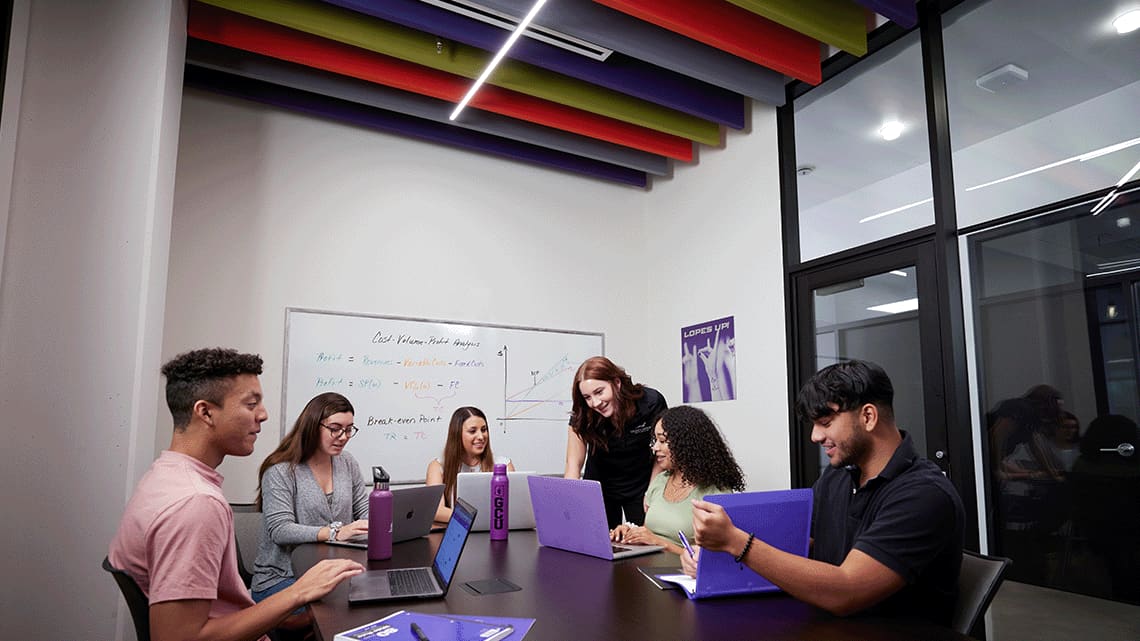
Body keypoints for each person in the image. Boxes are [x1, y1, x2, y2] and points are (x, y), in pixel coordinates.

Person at [108, 348, 362, 641]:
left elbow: (220, 609)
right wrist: (298, 592)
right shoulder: (196, 503)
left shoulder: (164, 477)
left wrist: (290, 618)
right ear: (205, 412)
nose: (263, 414)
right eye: (251, 404)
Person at [685, 360, 964, 624]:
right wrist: (716, 560)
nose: (815, 436)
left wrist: (738, 544)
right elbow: (800, 544)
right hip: (827, 625)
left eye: (826, 422)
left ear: (868, 416)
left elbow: (847, 590)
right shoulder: (838, 475)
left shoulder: (925, 494)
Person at [251, 392, 369, 604]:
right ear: (313, 426)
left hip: (331, 571)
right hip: (284, 578)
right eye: (335, 429)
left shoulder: (347, 462)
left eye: (349, 429)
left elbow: (365, 510)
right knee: (341, 608)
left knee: (374, 597)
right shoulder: (281, 471)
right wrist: (336, 533)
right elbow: (281, 530)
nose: (343, 436)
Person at [610, 405, 745, 555]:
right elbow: (649, 531)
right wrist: (630, 532)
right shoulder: (660, 481)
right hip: (646, 564)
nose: (655, 447)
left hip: (683, 573)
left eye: (662, 440)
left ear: (686, 444)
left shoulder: (715, 493)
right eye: (655, 440)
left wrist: (659, 543)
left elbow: (713, 560)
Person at [564, 356, 668, 528]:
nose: (595, 403)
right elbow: (573, 463)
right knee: (599, 543)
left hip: (641, 485)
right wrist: (571, 502)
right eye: (587, 397)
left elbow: (661, 451)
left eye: (599, 392)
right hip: (600, 487)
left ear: (616, 383)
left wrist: (653, 492)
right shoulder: (582, 412)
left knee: (644, 542)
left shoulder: (650, 402)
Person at [425, 406, 514, 522]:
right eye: (472, 431)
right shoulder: (437, 467)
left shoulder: (503, 465)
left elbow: (513, 507)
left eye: (483, 429)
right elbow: (436, 510)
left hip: (495, 533)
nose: (481, 436)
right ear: (457, 435)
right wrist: (473, 519)